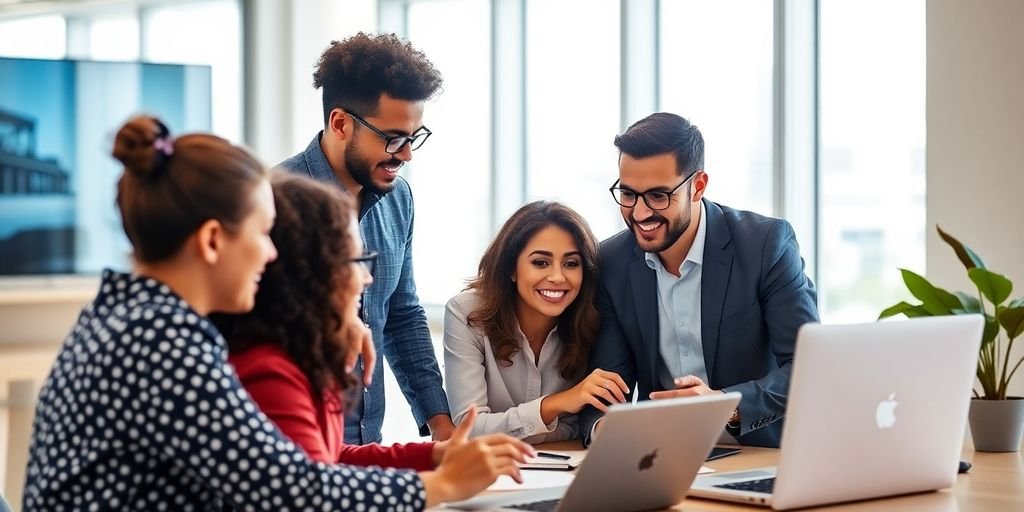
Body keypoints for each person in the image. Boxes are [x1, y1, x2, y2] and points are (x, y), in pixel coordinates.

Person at [22, 116, 533, 511]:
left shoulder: (131, 318)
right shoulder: (161, 339)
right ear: (213, 241)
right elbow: (288, 489)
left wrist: (429, 461)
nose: (272, 255)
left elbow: (286, 468)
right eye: (263, 234)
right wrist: (437, 486)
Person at [579, 113, 819, 449]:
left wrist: (724, 405)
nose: (640, 212)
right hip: (657, 458)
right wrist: (606, 430)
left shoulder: (765, 245)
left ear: (698, 186)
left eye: (659, 196)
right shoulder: (612, 263)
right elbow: (606, 386)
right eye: (629, 194)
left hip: (757, 452)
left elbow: (809, 368)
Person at [278, 32, 453, 444]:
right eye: (393, 138)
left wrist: (441, 426)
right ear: (340, 123)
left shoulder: (399, 198)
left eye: (414, 137)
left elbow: (402, 315)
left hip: (365, 446)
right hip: (294, 448)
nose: (406, 154)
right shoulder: (273, 201)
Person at [215, 172, 446, 469]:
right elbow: (313, 487)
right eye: (356, 261)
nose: (368, 278)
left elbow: (324, 455)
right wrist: (439, 486)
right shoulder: (269, 372)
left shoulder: (304, 350)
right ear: (311, 273)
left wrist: (435, 455)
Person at [444, 201, 629, 443]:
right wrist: (556, 405)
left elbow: (578, 425)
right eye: (540, 262)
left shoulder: (591, 319)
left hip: (561, 469)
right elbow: (469, 428)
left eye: (571, 263)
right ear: (511, 268)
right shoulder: (466, 313)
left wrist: (514, 428)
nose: (557, 277)